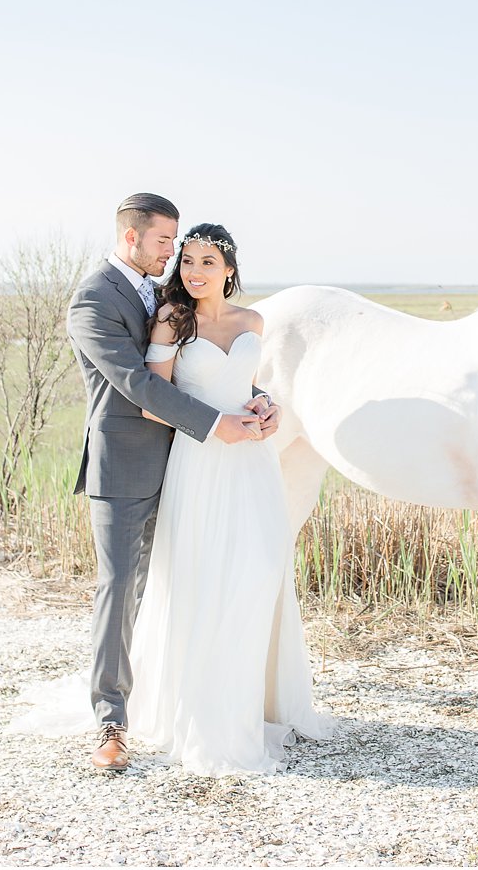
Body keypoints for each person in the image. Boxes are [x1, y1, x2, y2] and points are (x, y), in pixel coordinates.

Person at [15, 194, 275, 772]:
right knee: (122, 587)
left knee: (196, 583)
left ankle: (191, 699)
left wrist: (259, 401)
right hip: (128, 464)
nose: (176, 254)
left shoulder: (165, 295)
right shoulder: (91, 299)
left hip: (190, 464)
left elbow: (203, 367)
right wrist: (216, 426)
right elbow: (136, 383)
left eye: (181, 245)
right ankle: (110, 719)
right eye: (166, 242)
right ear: (132, 237)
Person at [127, 222, 335, 774]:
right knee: (202, 578)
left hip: (253, 465)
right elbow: (155, 401)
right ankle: (210, 715)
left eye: (207, 263)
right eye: (187, 261)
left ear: (229, 271)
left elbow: (246, 385)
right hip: (200, 462)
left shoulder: (253, 322)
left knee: (261, 569)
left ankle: (257, 702)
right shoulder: (172, 320)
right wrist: (217, 425)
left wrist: (269, 407)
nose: (194, 272)